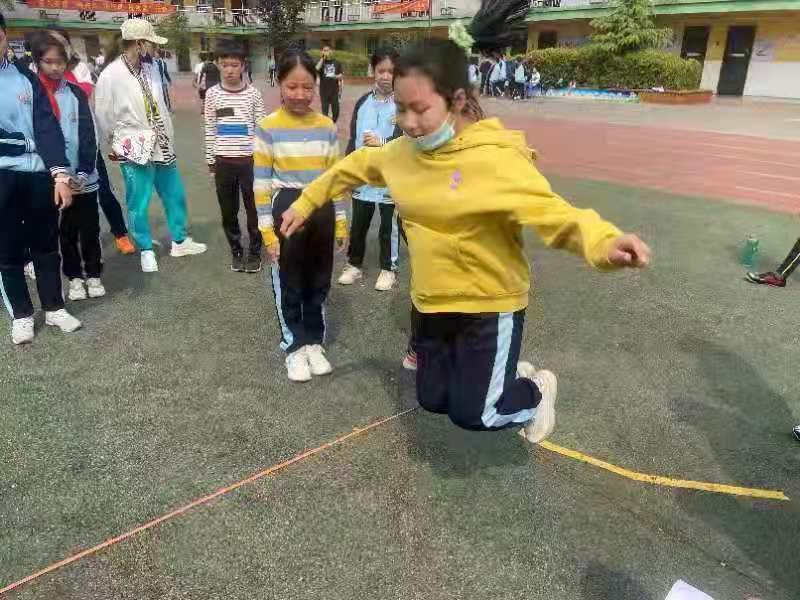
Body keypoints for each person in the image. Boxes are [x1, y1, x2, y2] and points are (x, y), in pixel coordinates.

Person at [278, 0, 651, 443]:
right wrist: (305, 202)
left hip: (490, 304)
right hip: (434, 304)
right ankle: (501, 374)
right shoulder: (400, 154)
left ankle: (534, 390)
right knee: (434, 400)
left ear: (456, 101)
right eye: (400, 109)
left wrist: (604, 243)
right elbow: (353, 167)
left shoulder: (496, 160)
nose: (408, 123)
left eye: (420, 109)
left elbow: (558, 215)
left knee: (479, 414)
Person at [254, 49, 347, 383]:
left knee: (319, 278)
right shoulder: (268, 127)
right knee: (290, 279)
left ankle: (313, 341)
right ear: (279, 84)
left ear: (316, 86)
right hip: (287, 210)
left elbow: (336, 179)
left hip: (321, 209)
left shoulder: (326, 127)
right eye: (292, 86)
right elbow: (261, 184)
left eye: (307, 87)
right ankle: (294, 345)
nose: (299, 94)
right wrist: (267, 233)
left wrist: (340, 220)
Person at [95, 19, 207, 273]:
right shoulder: (111, 75)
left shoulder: (152, 68)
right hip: (134, 148)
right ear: (138, 44)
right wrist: (120, 143)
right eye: (151, 43)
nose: (155, 48)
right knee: (139, 201)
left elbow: (160, 106)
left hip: (162, 144)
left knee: (174, 194)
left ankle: (179, 240)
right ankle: (145, 248)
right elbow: (104, 116)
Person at [0, 13, 82, 345]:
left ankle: (54, 307)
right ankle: (21, 315)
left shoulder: (24, 76)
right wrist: (22, 142)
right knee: (6, 251)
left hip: (37, 176)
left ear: (5, 37)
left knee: (46, 246)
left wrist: (60, 175)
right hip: (3, 175)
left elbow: (46, 126)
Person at [46, 25, 134, 255]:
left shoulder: (79, 68)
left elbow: (85, 94)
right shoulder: (37, 72)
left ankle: (120, 233)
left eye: (60, 42)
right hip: (53, 147)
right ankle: (53, 245)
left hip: (84, 144)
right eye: (50, 42)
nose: (56, 51)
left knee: (103, 190)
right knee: (54, 195)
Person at [32, 31, 106, 302]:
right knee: (65, 232)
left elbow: (88, 134)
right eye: (49, 62)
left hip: (83, 176)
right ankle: (74, 277)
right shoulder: (33, 93)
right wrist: (57, 174)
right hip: (53, 179)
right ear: (38, 62)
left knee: (90, 229)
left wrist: (84, 172)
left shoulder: (75, 92)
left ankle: (94, 273)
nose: (55, 67)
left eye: (60, 62)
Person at [338, 46, 402, 292]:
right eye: (381, 70)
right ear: (373, 71)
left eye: (391, 71)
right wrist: (347, 173)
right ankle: (354, 265)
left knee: (389, 227)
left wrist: (382, 143)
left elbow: (408, 142)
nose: (386, 76)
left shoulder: (403, 104)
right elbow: (353, 139)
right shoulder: (363, 102)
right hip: (363, 178)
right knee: (359, 224)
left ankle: (389, 268)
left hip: (389, 179)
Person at [204, 40, 266, 273]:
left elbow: (261, 129)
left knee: (254, 210)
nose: (230, 70)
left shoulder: (253, 95)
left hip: (250, 162)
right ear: (218, 64)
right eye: (225, 64)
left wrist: (264, 161)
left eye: (234, 65)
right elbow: (211, 128)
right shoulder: (212, 95)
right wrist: (211, 162)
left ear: (243, 66)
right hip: (223, 163)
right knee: (228, 211)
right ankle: (236, 250)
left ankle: (254, 251)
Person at [315, 45, 342, 123]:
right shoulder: (321, 62)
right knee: (325, 112)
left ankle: (333, 122)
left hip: (334, 90)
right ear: (322, 52)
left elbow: (341, 75)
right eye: (324, 50)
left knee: (336, 111)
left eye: (327, 50)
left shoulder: (337, 62)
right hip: (324, 91)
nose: (326, 52)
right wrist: (322, 58)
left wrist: (335, 76)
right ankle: (326, 126)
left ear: (331, 51)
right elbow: (316, 69)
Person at [154, 48, 173, 113]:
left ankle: (168, 108)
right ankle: (161, 109)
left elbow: (165, 72)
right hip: (156, 83)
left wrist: (169, 80)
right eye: (155, 53)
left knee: (165, 95)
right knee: (159, 96)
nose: (155, 54)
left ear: (159, 54)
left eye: (156, 53)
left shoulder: (162, 62)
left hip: (162, 82)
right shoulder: (152, 62)